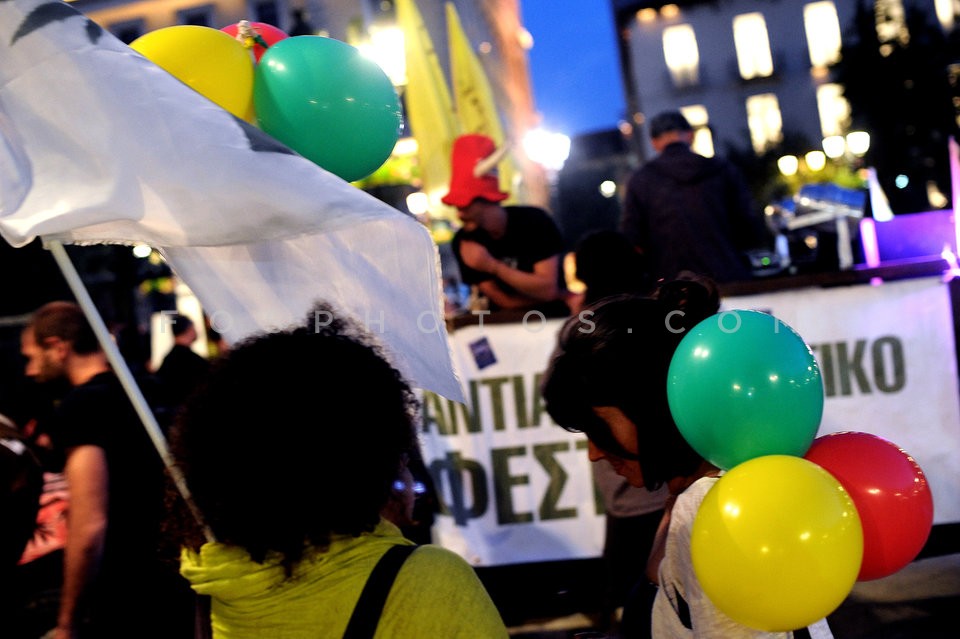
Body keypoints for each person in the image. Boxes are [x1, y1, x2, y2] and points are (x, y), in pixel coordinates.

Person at [165, 302, 509, 638]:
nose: (406, 469)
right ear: (363, 461)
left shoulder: (205, 583)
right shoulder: (424, 581)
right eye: (401, 456)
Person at [540, 279, 832, 638]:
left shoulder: (714, 513)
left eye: (598, 429)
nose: (594, 453)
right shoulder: (696, 498)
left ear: (651, 409)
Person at [20, 301, 194, 639]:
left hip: (127, 587)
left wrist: (68, 622)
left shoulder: (82, 407)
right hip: (178, 573)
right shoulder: (147, 389)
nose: (29, 370)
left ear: (58, 347)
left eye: (31, 356)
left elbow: (89, 525)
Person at [620, 111, 771, 284]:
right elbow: (749, 225)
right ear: (690, 135)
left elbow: (631, 238)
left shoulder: (640, 180)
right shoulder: (722, 170)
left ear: (654, 142)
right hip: (727, 276)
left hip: (672, 285)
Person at [443, 134, 569, 316]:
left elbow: (547, 289)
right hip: (502, 327)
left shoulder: (534, 221)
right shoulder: (464, 240)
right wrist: (554, 297)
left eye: (464, 205)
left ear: (485, 200)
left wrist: (492, 266)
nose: (459, 213)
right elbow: (503, 300)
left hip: (554, 321)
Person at [154, 312, 210, 413]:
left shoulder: (167, 360)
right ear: (188, 330)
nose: (197, 331)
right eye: (194, 327)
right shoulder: (193, 361)